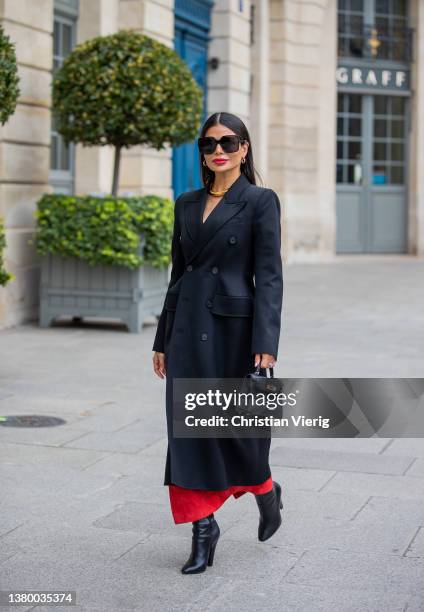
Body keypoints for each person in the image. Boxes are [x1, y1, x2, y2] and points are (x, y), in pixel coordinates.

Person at [152, 111, 284, 574]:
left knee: (238, 432)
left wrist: (266, 340)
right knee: (189, 434)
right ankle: (203, 530)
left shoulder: (260, 201)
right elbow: (178, 273)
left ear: (244, 149)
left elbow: (268, 276)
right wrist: (162, 337)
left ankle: (266, 491)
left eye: (229, 143)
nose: (219, 151)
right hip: (187, 330)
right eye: (209, 145)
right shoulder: (185, 203)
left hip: (234, 333)